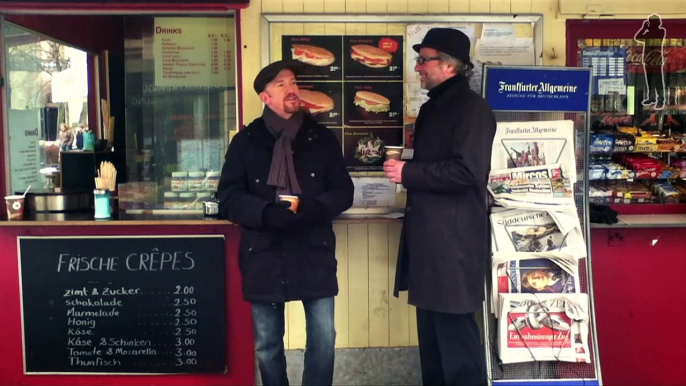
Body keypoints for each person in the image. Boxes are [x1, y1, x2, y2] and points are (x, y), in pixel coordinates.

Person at [217, 60, 354, 386]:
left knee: (323, 338)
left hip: (313, 248)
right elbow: (229, 198)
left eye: (293, 82)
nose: (292, 89)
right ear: (265, 97)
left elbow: (343, 191)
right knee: (267, 344)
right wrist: (265, 213)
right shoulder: (246, 142)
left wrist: (314, 209)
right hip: (263, 251)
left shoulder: (322, 139)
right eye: (281, 84)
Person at [383, 28, 497, 385]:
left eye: (423, 59)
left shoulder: (471, 109)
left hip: (453, 247)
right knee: (432, 345)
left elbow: (468, 171)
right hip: (431, 245)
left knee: (457, 348)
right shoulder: (434, 108)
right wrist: (409, 166)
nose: (417, 68)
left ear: (449, 66)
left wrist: (409, 172)